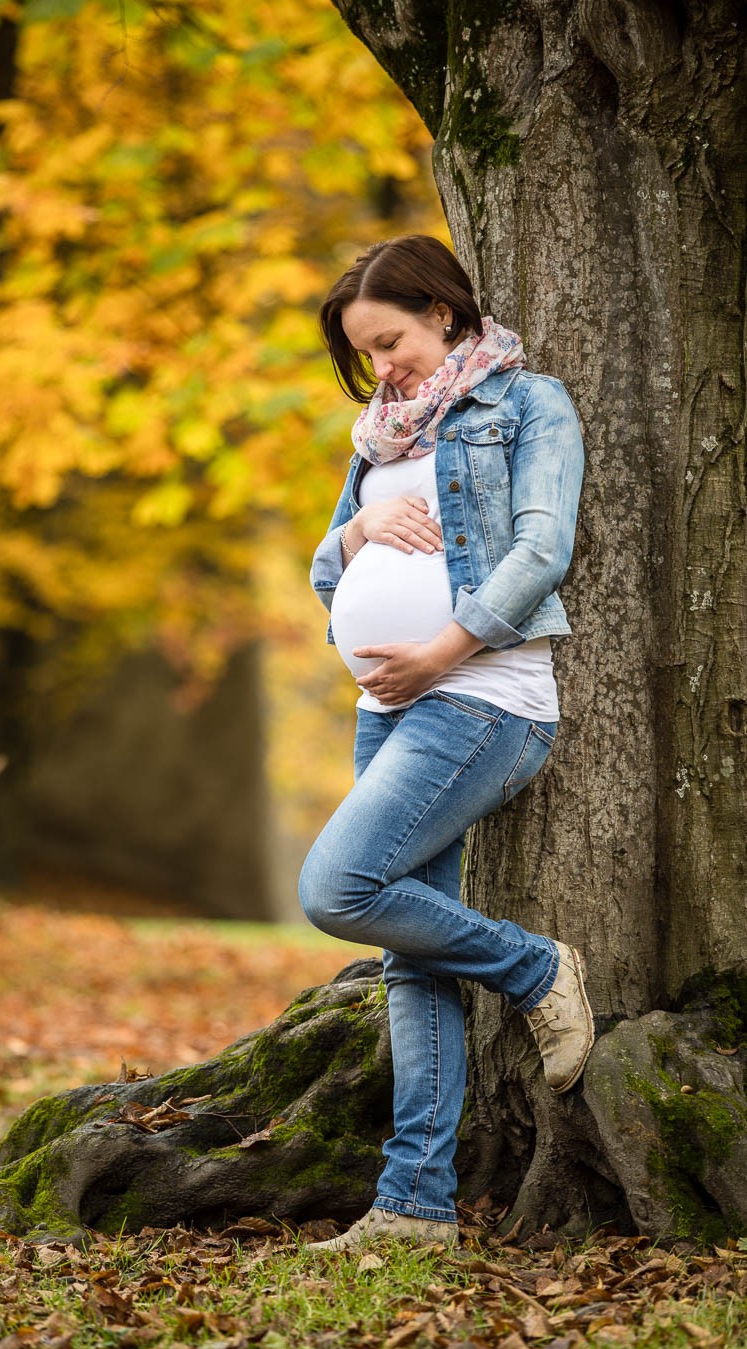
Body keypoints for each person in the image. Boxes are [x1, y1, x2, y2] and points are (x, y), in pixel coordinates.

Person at [298, 234, 593, 1253]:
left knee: (336, 886)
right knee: (409, 958)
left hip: (482, 698)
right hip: (388, 709)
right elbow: (323, 574)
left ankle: (534, 966)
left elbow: (542, 547)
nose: (383, 370)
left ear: (445, 313)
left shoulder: (525, 403)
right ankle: (414, 1206)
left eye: (391, 341)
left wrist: (440, 651)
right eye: (366, 355)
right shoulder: (374, 435)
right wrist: (356, 537)